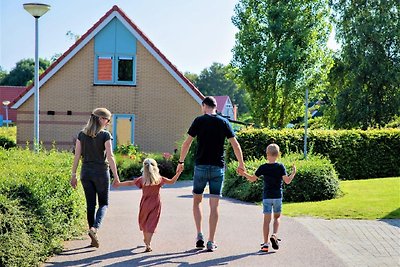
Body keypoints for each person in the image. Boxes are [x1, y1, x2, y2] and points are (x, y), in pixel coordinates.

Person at [176, 96, 245, 252]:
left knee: (197, 201)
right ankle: (210, 241)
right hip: (217, 168)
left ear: (204, 106)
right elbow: (235, 144)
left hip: (200, 167)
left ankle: (199, 234)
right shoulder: (224, 122)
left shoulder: (199, 121)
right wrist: (241, 164)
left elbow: (187, 143)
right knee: (214, 206)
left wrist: (180, 162)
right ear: (215, 107)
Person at [70, 107, 120, 248]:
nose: (108, 123)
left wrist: (73, 175)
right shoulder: (105, 135)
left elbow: (77, 156)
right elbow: (110, 156)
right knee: (104, 203)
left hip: (85, 173)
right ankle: (94, 229)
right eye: (107, 120)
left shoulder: (81, 134)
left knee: (90, 205)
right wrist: (116, 176)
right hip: (101, 173)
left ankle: (93, 238)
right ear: (100, 119)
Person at [113, 158, 182, 252]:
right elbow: (172, 181)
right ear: (155, 168)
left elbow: (130, 183)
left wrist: (119, 184)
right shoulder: (159, 179)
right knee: (152, 223)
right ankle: (148, 243)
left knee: (144, 222)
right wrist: (178, 173)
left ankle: (147, 241)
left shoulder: (142, 180)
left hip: (145, 204)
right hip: (156, 204)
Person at [239, 143, 296, 252]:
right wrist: (293, 172)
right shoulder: (280, 166)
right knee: (277, 217)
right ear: (278, 155)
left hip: (267, 197)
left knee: (266, 221)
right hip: (277, 196)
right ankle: (274, 235)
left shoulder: (263, 167)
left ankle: (265, 244)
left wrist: (244, 173)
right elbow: (287, 181)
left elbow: (252, 179)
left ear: (267, 154)